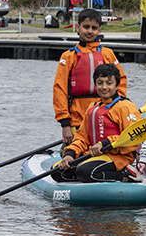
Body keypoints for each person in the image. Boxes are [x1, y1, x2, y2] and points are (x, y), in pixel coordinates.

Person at [56, 64, 142, 183]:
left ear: (117, 85)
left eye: (109, 83)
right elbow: (82, 137)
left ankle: (124, 175)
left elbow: (132, 137)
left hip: (118, 157)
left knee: (84, 172)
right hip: (95, 155)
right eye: (100, 83)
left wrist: (104, 144)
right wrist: (70, 154)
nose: (104, 87)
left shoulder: (126, 106)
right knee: (58, 172)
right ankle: (93, 173)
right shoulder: (93, 107)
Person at [53, 8, 127, 145]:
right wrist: (65, 124)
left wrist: (116, 107)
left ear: (99, 31)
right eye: (86, 27)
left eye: (94, 28)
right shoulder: (68, 57)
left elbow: (121, 82)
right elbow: (60, 90)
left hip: (104, 118)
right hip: (77, 120)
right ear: (77, 28)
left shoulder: (108, 54)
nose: (89, 31)